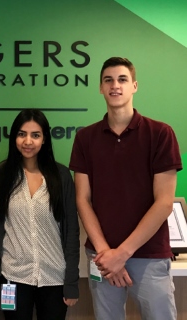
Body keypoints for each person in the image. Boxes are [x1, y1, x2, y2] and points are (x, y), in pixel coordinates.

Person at [70, 57, 182, 320]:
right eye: (108, 80)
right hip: (102, 257)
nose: (115, 85)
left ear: (134, 85)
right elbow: (82, 200)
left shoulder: (160, 134)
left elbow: (164, 203)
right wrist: (106, 254)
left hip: (149, 256)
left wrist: (122, 253)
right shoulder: (85, 138)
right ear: (100, 88)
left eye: (122, 79)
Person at [0, 109, 80, 320]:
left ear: (45, 139)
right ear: (14, 137)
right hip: (12, 277)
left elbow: (71, 231)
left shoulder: (61, 175)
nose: (28, 141)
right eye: (22, 134)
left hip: (54, 277)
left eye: (35, 135)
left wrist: (71, 282)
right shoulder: (3, 174)